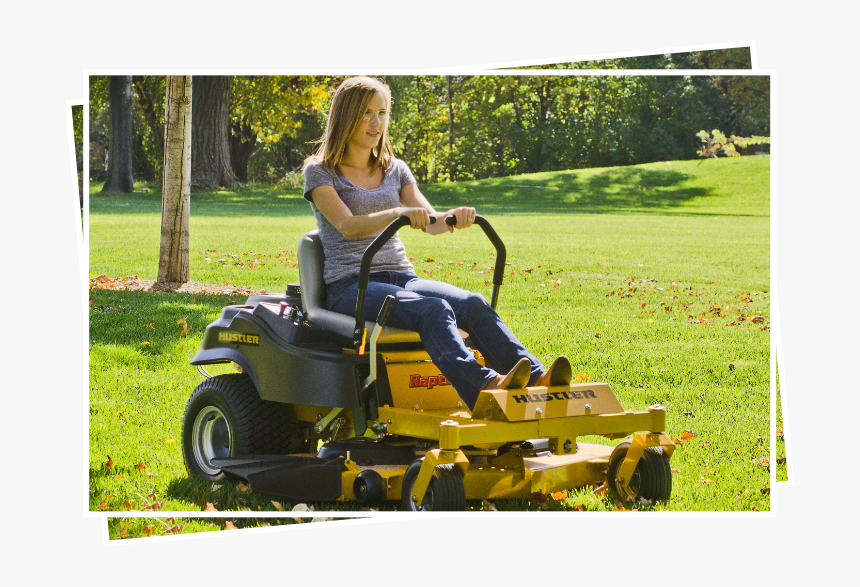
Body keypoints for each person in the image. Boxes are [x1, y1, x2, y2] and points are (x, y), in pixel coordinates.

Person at [302, 76, 571, 411]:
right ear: (346, 116)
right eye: (366, 114)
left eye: (382, 113)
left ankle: (537, 378)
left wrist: (454, 216)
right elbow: (346, 226)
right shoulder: (321, 171)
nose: (376, 123)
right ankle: (482, 386)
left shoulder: (395, 170)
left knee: (471, 303)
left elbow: (431, 222)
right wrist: (398, 212)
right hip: (351, 286)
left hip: (402, 278)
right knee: (432, 310)